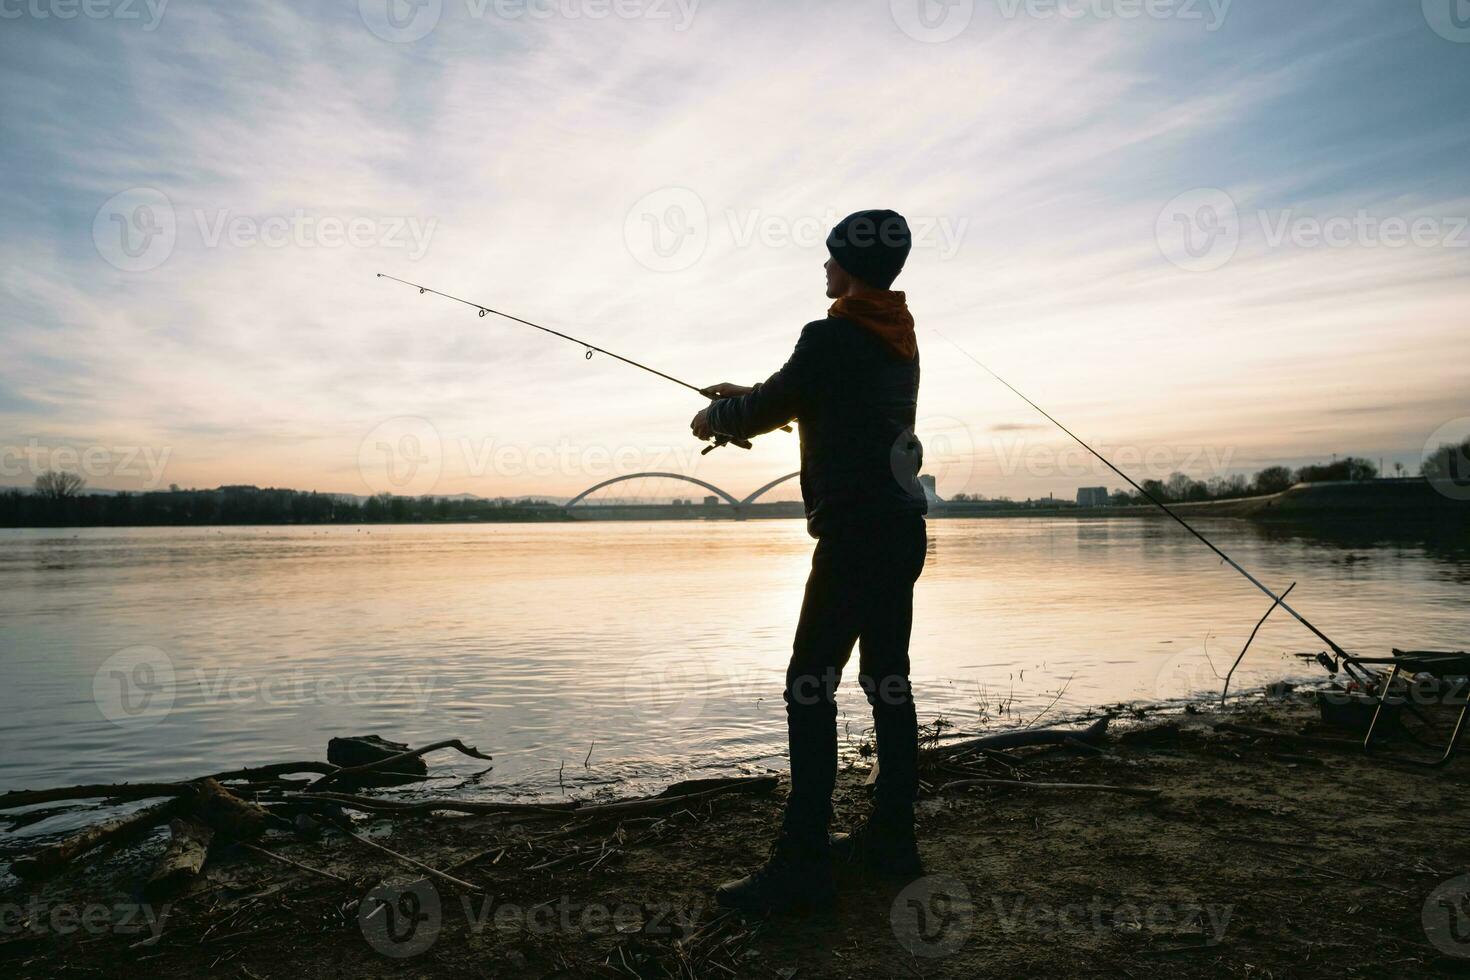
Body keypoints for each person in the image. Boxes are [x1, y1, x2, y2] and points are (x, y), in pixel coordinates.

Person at [690, 209, 929, 914]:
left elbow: (778, 401)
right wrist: (750, 400)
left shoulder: (830, 334)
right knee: (888, 678)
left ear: (849, 265)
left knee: (808, 683)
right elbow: (806, 396)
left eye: (830, 259)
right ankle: (892, 837)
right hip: (899, 528)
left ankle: (802, 862)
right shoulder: (898, 337)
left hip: (854, 535)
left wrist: (719, 418)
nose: (823, 271)